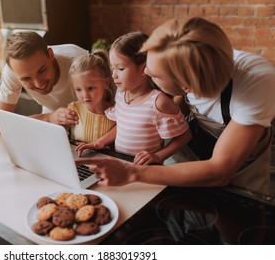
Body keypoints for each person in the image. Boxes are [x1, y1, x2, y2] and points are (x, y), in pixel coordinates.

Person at [76, 17, 275, 194]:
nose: (145, 75)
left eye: (152, 75)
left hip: (242, 169)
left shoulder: (257, 83)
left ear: (187, 86)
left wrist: (132, 173)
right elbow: (178, 106)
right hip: (198, 148)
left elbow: (219, 171)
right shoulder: (189, 67)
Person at [76, 31, 191, 165]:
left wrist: (158, 156)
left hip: (146, 169)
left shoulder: (158, 102)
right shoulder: (120, 94)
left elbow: (184, 136)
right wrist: (99, 142)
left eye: (120, 68)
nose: (114, 75)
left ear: (143, 68)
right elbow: (122, 125)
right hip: (121, 163)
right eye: (112, 68)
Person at [0, 31, 88, 129]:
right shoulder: (12, 71)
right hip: (52, 119)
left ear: (50, 55)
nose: (39, 84)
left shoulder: (79, 61)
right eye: (26, 79)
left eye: (42, 70)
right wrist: (48, 118)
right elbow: (0, 124)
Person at [67, 49, 116, 143]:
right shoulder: (73, 110)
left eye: (90, 88)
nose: (85, 95)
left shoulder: (116, 112)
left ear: (106, 83)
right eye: (78, 90)